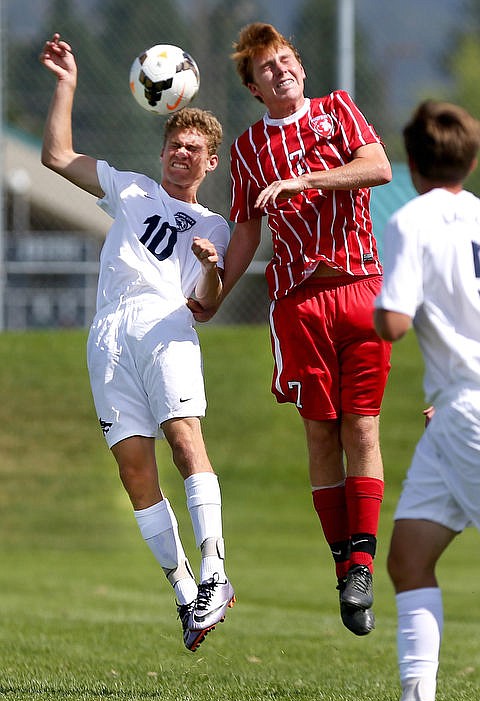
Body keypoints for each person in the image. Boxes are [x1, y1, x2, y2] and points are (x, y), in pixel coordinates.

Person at [39, 33, 235, 653]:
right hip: (108, 332)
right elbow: (55, 155)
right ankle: (184, 593)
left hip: (165, 325)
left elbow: (205, 304)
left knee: (184, 440)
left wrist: (208, 263)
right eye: (175, 144)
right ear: (162, 151)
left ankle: (215, 570)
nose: (182, 153)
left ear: (210, 164)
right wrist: (66, 82)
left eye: (194, 149)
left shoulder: (214, 226)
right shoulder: (127, 187)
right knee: (133, 468)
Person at [222, 22, 392, 635]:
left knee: (363, 425)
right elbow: (244, 229)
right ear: (253, 86)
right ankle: (342, 562)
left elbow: (377, 168)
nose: (281, 70)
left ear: (301, 67)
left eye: (287, 59)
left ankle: (364, 566)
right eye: (266, 67)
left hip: (359, 287)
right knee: (322, 435)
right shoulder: (246, 150)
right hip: (298, 304)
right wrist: (215, 291)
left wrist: (304, 180)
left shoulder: (338, 111)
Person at [374, 99, 480, 701]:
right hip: (455, 412)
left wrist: (362, 297)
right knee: (410, 556)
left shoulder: (411, 221)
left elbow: (392, 324)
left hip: (467, 408)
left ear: (411, 162)